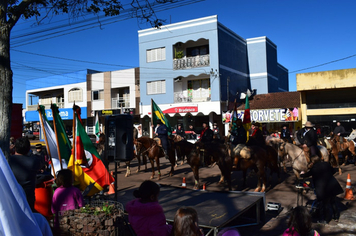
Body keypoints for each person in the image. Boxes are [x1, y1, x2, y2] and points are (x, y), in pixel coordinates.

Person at [300, 156, 343, 224]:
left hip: (324, 188)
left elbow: (307, 175)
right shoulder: (326, 164)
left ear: (313, 162)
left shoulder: (314, 168)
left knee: (325, 204)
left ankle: (326, 219)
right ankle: (336, 216)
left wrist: (302, 174)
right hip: (332, 185)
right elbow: (333, 171)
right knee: (333, 202)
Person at [8, 137, 41, 211]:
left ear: (15, 148)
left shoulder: (9, 160)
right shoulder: (34, 161)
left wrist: (9, 151)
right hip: (28, 196)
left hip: (13, 196)